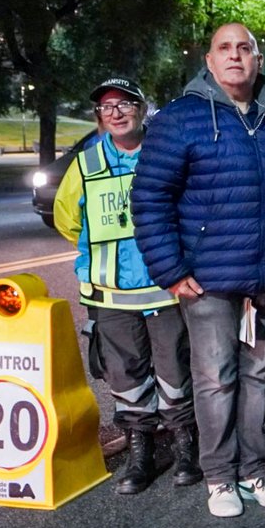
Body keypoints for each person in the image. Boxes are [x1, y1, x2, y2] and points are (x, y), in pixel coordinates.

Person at [133, 23, 265, 518]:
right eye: (226, 48)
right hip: (209, 282)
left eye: (245, 48)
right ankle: (220, 477)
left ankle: (254, 470)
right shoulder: (180, 120)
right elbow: (150, 197)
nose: (236, 56)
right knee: (215, 380)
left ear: (258, 59)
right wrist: (171, 270)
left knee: (260, 377)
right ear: (210, 59)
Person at [54, 77, 198, 495]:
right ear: (99, 116)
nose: (115, 112)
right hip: (111, 295)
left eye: (124, 104)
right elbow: (68, 220)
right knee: (126, 377)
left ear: (142, 108)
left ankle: (186, 447)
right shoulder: (85, 164)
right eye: (106, 107)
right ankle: (141, 452)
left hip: (167, 290)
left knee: (176, 371)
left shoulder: (166, 156)